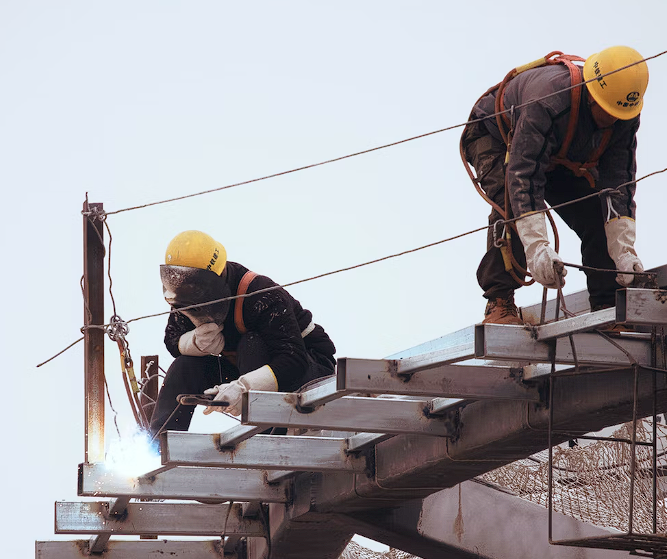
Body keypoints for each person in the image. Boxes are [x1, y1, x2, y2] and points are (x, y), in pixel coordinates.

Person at [460, 46, 649, 324]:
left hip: (555, 153)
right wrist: (537, 249)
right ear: (591, 95)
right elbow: (523, 177)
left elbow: (617, 184)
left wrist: (623, 251)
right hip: (496, 137)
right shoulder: (549, 101)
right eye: (606, 111)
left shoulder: (624, 112)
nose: (611, 120)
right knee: (510, 204)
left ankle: (608, 306)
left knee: (596, 215)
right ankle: (499, 302)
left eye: (617, 115)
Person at [149, 230, 336, 437]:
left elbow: (294, 360)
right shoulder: (186, 298)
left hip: (310, 372)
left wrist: (243, 387)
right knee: (185, 366)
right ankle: (158, 448)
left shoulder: (260, 294)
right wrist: (193, 343)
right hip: (248, 370)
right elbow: (172, 339)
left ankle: (269, 439)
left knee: (251, 344)